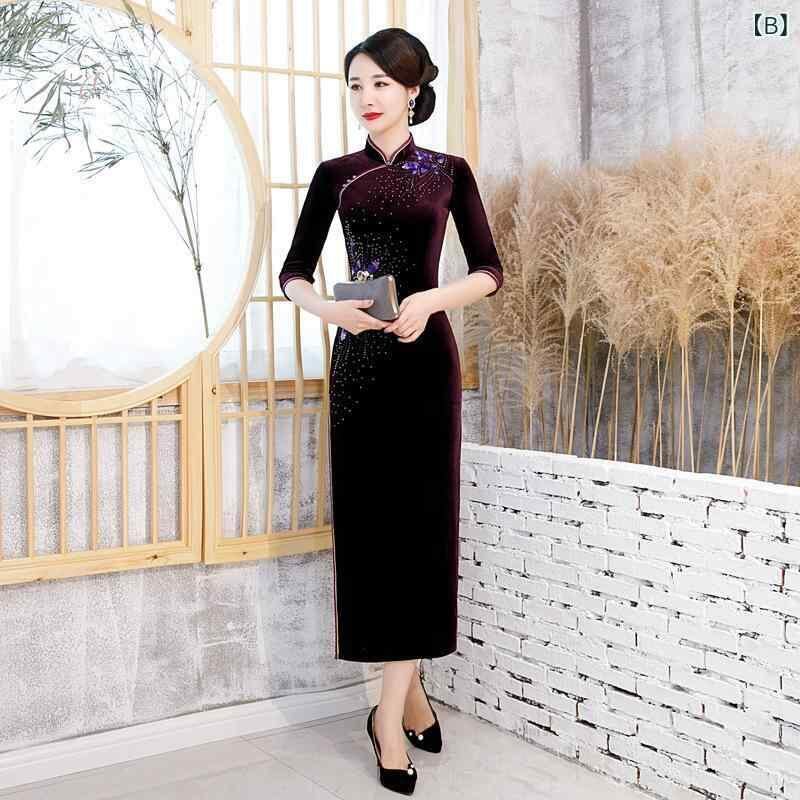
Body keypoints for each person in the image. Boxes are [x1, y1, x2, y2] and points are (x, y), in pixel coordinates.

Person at [279, 27, 503, 794]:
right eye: (355, 84)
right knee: (374, 536)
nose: (366, 97)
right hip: (360, 370)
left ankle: (385, 714)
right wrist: (329, 312)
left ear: (412, 90)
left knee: (421, 533)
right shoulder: (335, 176)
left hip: (426, 366)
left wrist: (430, 300)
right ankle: (406, 700)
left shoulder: (449, 172)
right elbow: (294, 272)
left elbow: (490, 271)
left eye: (380, 83)